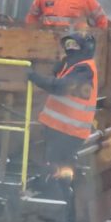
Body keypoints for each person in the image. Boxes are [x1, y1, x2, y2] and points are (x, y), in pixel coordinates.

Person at [26, 32, 98, 198]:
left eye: (74, 45)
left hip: (69, 131)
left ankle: (56, 207)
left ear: (83, 48)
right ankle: (62, 205)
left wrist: (33, 76)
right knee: (59, 170)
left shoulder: (84, 68)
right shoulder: (73, 65)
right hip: (61, 130)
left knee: (55, 170)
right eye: (68, 45)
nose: (70, 48)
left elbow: (62, 87)